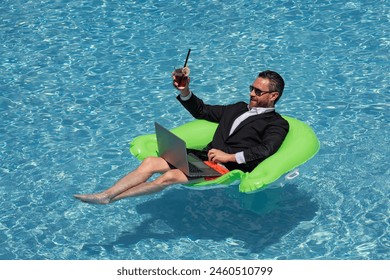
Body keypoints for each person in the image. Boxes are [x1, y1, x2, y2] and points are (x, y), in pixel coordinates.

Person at [73, 69, 289, 204]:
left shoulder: (277, 123)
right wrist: (185, 90)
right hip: (201, 156)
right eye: (252, 88)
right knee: (150, 162)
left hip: (224, 167)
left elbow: (265, 150)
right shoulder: (237, 107)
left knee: (169, 176)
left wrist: (229, 158)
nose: (251, 93)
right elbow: (202, 111)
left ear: (273, 96)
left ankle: (112, 198)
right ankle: (106, 193)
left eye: (258, 92)